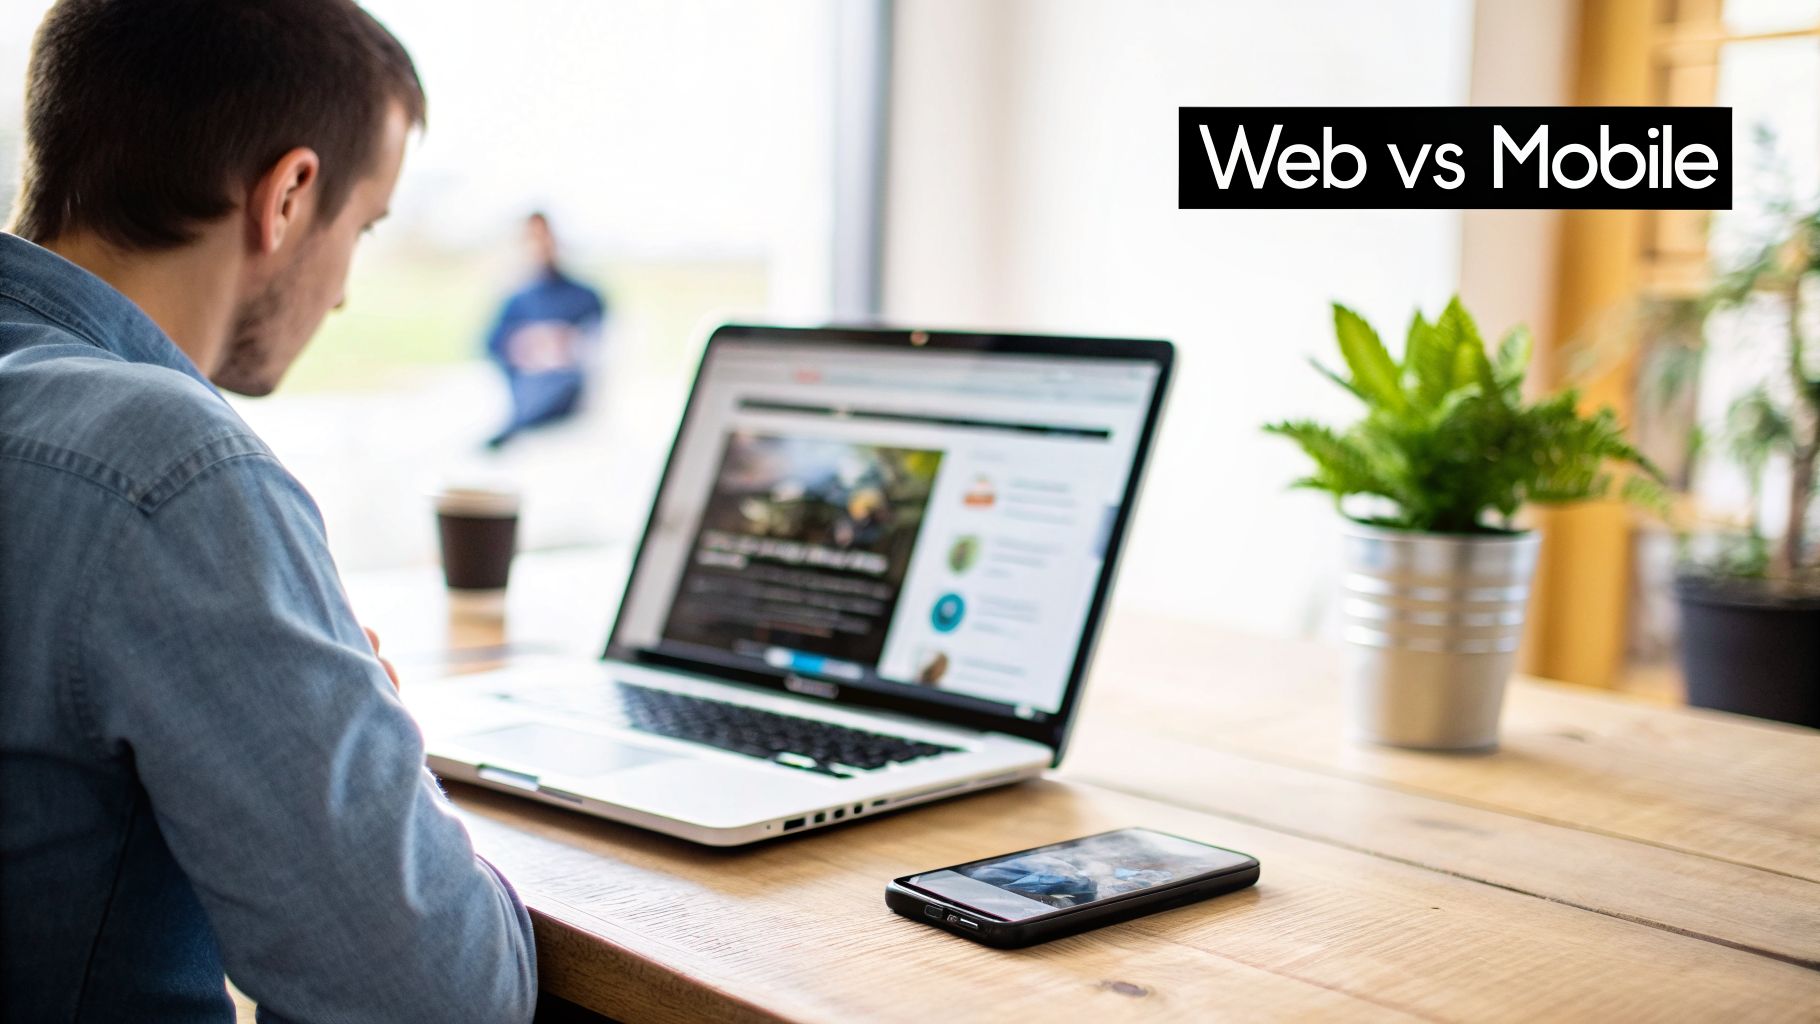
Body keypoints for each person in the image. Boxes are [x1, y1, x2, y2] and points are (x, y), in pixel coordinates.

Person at [0, 2, 536, 1022]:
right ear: (288, 195)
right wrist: (376, 743)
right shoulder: (165, 470)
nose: (341, 296)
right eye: (364, 226)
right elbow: (443, 1001)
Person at [483, 211, 607, 448]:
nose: (540, 245)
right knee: (532, 388)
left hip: (567, 382)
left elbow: (603, 344)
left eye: (545, 236)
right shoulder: (516, 298)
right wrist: (525, 345)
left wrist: (566, 345)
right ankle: (518, 423)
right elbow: (490, 344)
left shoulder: (585, 295)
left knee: (557, 384)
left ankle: (516, 426)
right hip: (527, 381)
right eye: (533, 238)